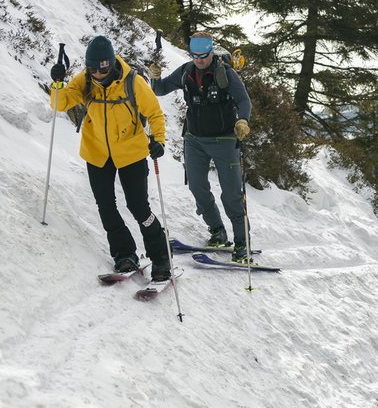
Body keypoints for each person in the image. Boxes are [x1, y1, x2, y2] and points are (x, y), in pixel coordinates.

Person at [48, 35, 171, 281]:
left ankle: (161, 256)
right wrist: (58, 83)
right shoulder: (85, 80)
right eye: (92, 69)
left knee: (139, 207)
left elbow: (155, 113)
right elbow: (60, 104)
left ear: (111, 64)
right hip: (97, 153)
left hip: (131, 153)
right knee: (106, 206)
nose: (97, 74)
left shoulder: (132, 82)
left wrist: (158, 140)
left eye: (101, 70)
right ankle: (124, 254)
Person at [148, 32, 253, 261]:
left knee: (232, 194)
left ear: (210, 52)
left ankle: (242, 241)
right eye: (195, 55)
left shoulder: (226, 73)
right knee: (197, 187)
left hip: (225, 140)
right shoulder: (186, 71)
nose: (199, 60)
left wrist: (243, 120)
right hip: (194, 140)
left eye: (203, 56)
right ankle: (217, 231)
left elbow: (244, 100)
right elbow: (160, 89)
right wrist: (154, 78)